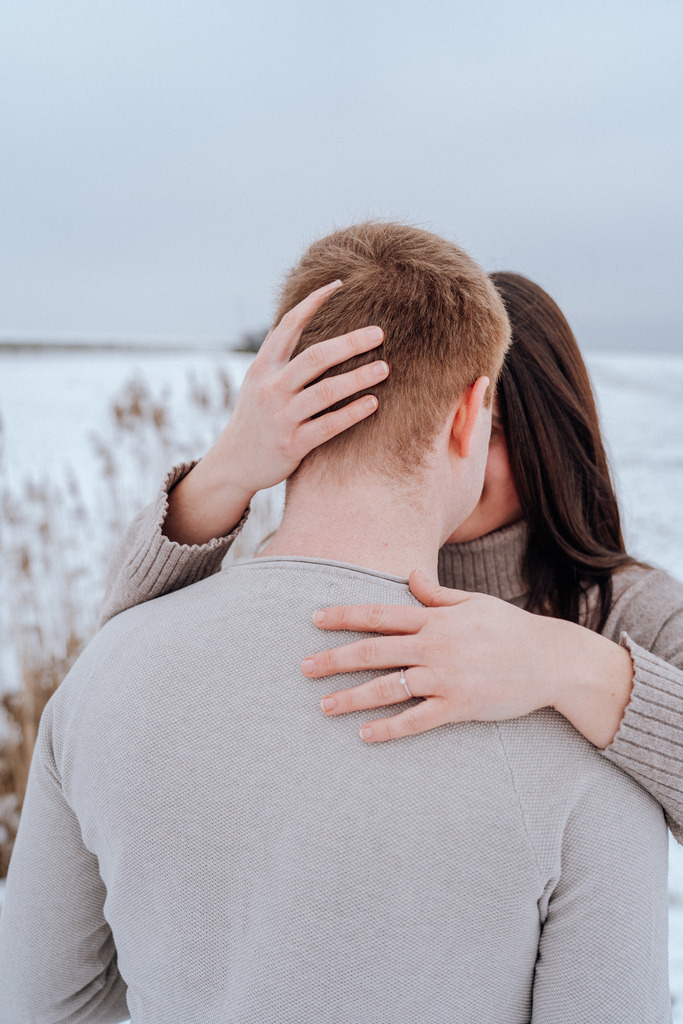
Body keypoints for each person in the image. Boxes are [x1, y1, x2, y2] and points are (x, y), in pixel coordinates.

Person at [0, 222, 670, 1023]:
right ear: (467, 414)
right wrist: (225, 472)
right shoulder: (580, 770)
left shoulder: (620, 627)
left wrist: (580, 668)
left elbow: (45, 998)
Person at [99, 270, 683, 843]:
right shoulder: (312, 572)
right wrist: (227, 470)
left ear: (551, 439)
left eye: (495, 429)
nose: (448, 448)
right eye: (419, 419)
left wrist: (571, 666)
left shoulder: (632, 609)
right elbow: (119, 652)